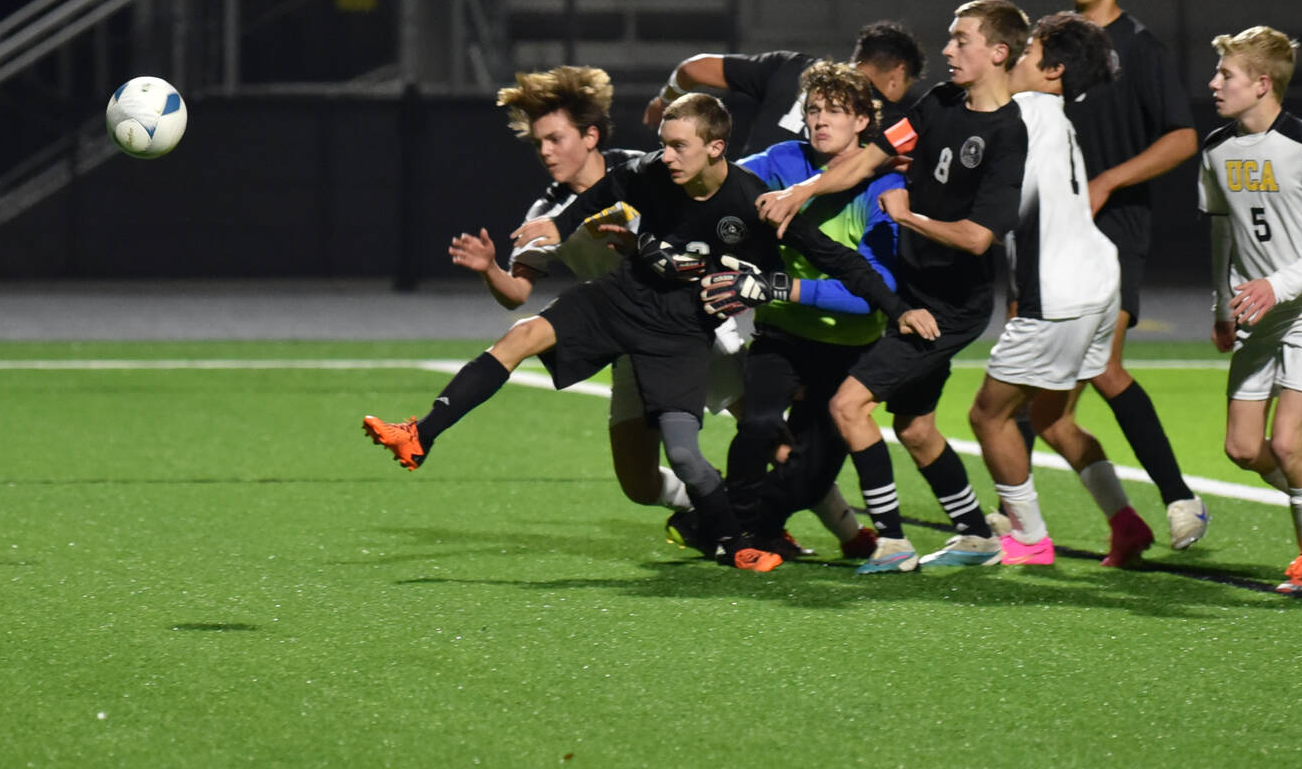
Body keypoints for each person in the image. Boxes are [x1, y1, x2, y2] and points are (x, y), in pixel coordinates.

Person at [361, 93, 930, 572]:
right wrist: (554, 227)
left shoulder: (754, 203)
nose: (666, 154)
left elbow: (843, 262)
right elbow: (597, 197)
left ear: (715, 148)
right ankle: (422, 432)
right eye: (663, 142)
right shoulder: (648, 172)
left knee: (688, 454)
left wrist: (898, 307)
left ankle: (740, 541)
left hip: (680, 333)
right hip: (620, 300)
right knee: (520, 336)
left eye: (679, 144)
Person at [757, 0, 1030, 574]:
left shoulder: (1009, 134)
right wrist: (798, 193)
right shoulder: (937, 104)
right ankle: (977, 537)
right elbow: (864, 163)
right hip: (916, 287)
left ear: (998, 53)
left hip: (951, 304)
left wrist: (908, 218)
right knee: (917, 427)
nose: (949, 50)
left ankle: (891, 542)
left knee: (848, 404)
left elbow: (980, 237)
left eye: (961, 40)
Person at [447, 65, 702, 515]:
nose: (545, 152)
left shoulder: (642, 171)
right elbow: (517, 293)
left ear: (590, 137)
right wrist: (489, 269)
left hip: (697, 319)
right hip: (629, 337)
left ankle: (823, 525)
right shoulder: (547, 209)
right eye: (539, 142)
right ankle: (702, 512)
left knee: (759, 426)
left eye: (555, 139)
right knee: (639, 485)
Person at [966, 13, 1160, 568]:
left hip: (1062, 290)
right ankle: (1125, 523)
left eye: (1026, 52)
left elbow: (994, 205)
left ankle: (1028, 538)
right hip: (1098, 280)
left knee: (988, 416)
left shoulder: (1022, 117)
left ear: (1052, 69)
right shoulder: (1053, 117)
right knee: (1052, 418)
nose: (1016, 59)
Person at [1197, 26, 1302, 594]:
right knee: (1243, 448)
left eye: (1226, 75)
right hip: (1254, 312)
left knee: (1289, 444)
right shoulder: (1217, 148)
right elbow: (1223, 228)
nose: (1213, 83)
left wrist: (1279, 284)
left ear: (1262, 83)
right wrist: (1224, 304)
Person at [1059, 0, 1209, 548]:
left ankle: (1180, 498)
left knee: (1102, 364)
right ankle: (1123, 525)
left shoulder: (1141, 48)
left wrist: (1107, 181)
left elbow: (1182, 137)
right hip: (1051, 234)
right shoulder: (1051, 46)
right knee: (1036, 410)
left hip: (1115, 228)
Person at [728, 61, 904, 560]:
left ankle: (722, 519)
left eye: (834, 112)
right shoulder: (782, 159)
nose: (820, 121)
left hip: (848, 355)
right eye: (813, 111)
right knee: (759, 425)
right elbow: (721, 183)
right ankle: (735, 533)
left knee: (808, 481)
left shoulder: (882, 186)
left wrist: (776, 288)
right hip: (783, 337)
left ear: (863, 122)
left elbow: (873, 292)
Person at [645, 22, 929, 155]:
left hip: (738, 199)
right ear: (899, 73)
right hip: (802, 231)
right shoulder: (884, 118)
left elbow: (693, 68)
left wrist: (664, 102)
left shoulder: (790, 66)